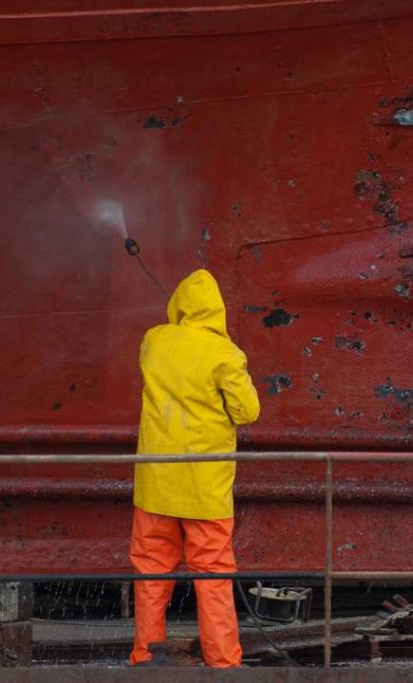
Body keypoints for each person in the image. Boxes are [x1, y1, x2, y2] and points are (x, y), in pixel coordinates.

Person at [129, 268, 260, 668]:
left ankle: (145, 658)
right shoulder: (226, 355)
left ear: (180, 305)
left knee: (151, 575)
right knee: (212, 576)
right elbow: (248, 412)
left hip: (155, 485)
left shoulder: (154, 340)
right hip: (205, 488)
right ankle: (223, 664)